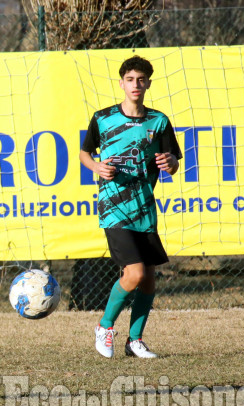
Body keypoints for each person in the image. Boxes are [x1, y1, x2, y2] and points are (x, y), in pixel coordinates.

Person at [79, 56, 182, 359]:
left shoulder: (158, 121)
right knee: (135, 274)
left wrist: (172, 164)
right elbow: (85, 153)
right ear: (122, 82)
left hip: (144, 208)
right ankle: (105, 326)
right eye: (130, 79)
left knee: (148, 278)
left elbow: (172, 162)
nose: (136, 85)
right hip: (114, 208)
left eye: (141, 79)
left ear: (148, 83)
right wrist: (97, 167)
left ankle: (134, 340)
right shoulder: (103, 118)